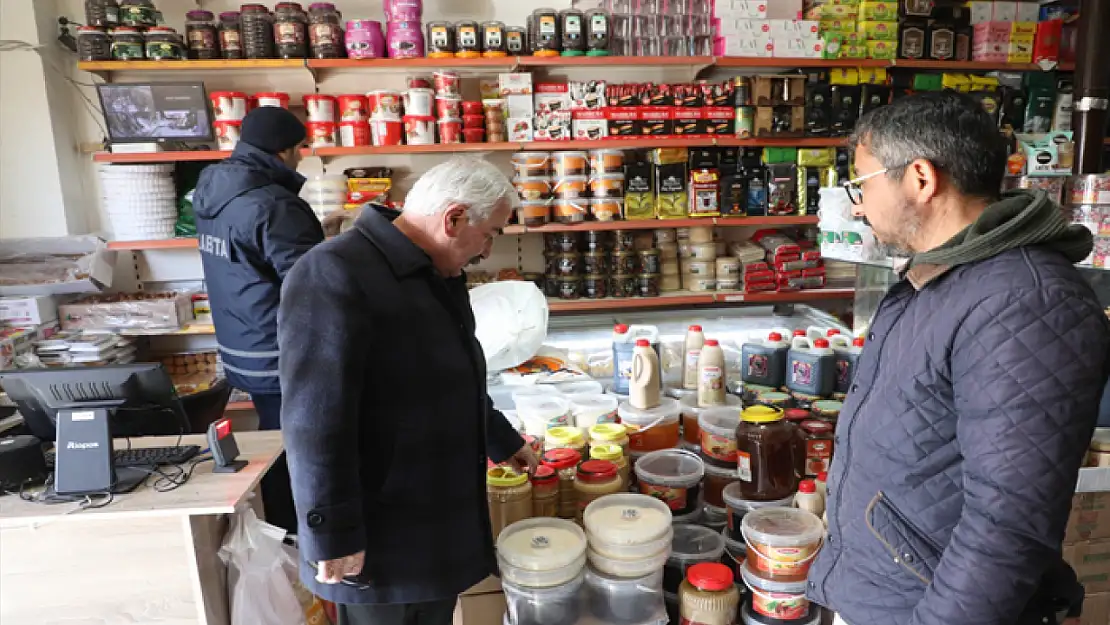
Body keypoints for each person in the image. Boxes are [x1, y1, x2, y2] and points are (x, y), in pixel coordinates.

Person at [808, 91, 1110, 625]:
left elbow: (1008, 524)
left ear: (920, 179)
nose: (857, 205)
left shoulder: (1025, 301)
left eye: (862, 183)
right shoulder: (942, 278)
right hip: (884, 593)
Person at [279, 157, 538, 625]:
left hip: (431, 518)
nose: (488, 248)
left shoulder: (434, 274)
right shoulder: (335, 273)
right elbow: (314, 422)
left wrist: (502, 439)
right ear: (453, 218)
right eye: (491, 232)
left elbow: (448, 377)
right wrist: (333, 536)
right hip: (382, 534)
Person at [193, 106, 324, 533]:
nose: (303, 156)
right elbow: (312, 286)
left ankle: (281, 527)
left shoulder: (215, 188)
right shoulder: (275, 204)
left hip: (243, 346)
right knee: (301, 447)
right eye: (301, 147)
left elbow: (253, 262)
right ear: (284, 150)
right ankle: (296, 534)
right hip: (281, 349)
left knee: (276, 436)